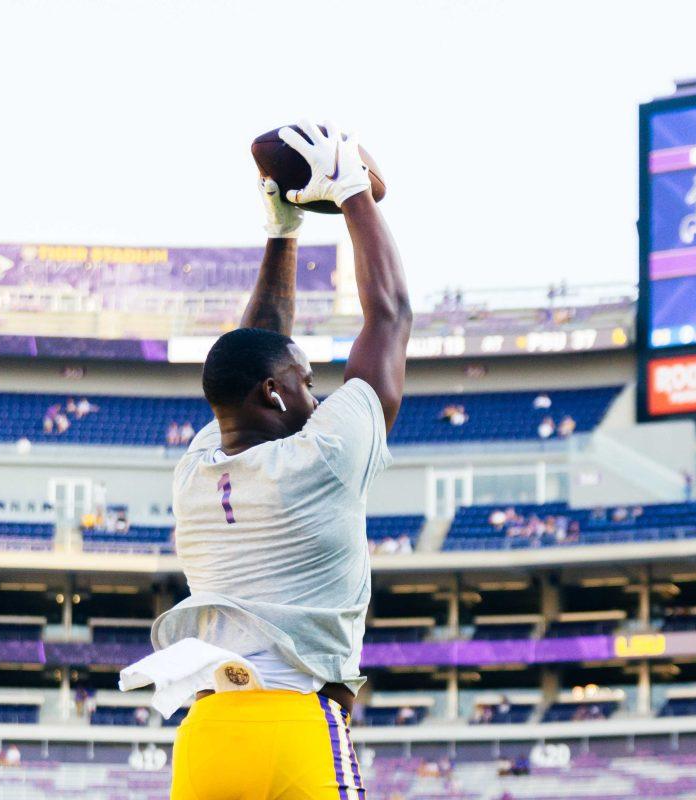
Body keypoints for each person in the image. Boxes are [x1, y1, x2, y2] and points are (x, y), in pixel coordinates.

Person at [121, 120, 410, 800]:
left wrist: (282, 235)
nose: (316, 394)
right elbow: (390, 316)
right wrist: (351, 194)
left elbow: (256, 349)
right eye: (307, 383)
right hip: (296, 724)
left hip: (208, 733)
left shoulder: (195, 469)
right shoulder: (322, 460)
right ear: (274, 395)